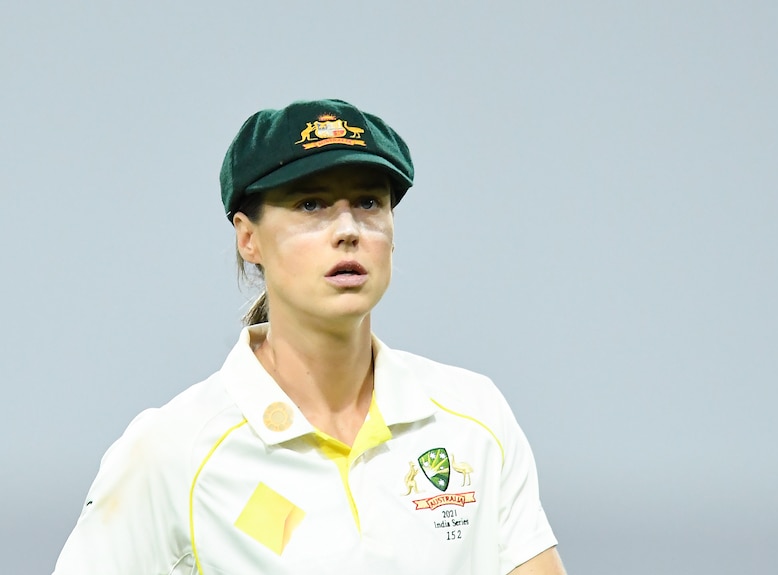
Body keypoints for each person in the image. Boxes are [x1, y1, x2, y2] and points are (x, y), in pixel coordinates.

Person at [53, 99, 566, 574]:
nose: (348, 228)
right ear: (248, 237)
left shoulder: (473, 417)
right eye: (310, 205)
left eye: (369, 202)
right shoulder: (174, 449)